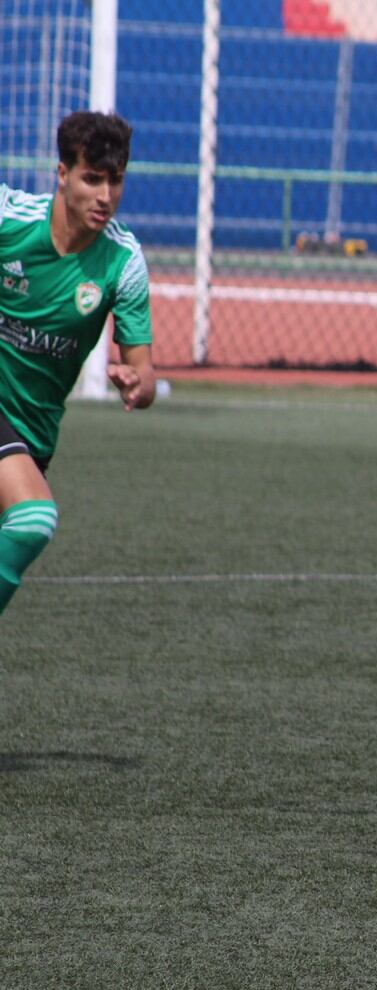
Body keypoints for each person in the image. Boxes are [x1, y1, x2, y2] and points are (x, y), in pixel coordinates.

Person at [0, 112, 155, 618]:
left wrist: (136, 383)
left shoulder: (123, 263)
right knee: (32, 519)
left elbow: (145, 375)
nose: (105, 195)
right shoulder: (10, 219)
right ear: (62, 174)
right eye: (92, 178)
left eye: (116, 180)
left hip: (33, 435)